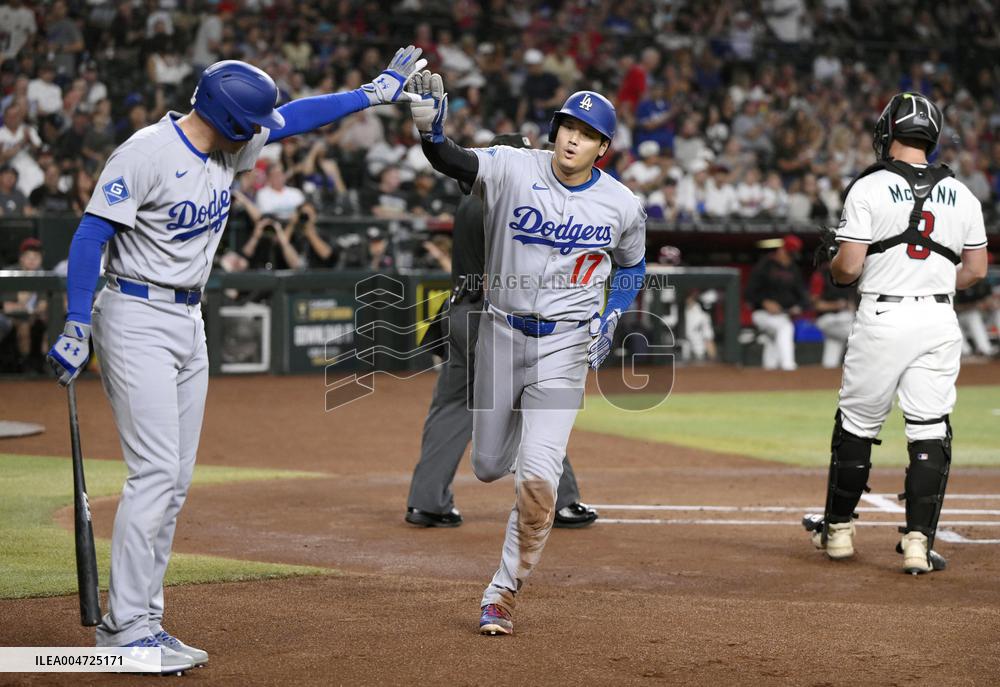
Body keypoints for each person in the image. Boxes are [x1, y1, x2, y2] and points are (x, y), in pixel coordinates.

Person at [44, 48, 428, 671]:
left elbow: (297, 117)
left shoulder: (228, 142)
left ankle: (143, 618)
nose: (261, 131)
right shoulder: (146, 152)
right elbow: (92, 233)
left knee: (175, 481)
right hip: (135, 314)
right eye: (251, 124)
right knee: (155, 474)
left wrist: (370, 92)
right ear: (228, 120)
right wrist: (76, 321)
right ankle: (124, 631)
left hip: (187, 318)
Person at [408, 75, 646, 636]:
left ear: (601, 149)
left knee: (537, 479)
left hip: (566, 343)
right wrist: (429, 132)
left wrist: (612, 313)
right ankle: (530, 446)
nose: (572, 139)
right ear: (554, 129)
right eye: (567, 126)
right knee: (489, 465)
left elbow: (633, 266)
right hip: (498, 332)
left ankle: (503, 591)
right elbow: (454, 161)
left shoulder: (621, 204)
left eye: (587, 134)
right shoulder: (515, 165)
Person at [803, 93, 988, 575]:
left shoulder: (869, 187)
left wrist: (839, 267)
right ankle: (918, 545)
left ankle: (839, 533)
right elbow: (976, 269)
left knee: (858, 424)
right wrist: (933, 282)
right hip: (938, 319)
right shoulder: (963, 193)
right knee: (929, 428)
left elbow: (849, 268)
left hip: (883, 316)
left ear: (887, 132)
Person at [405, 133, 599, 531]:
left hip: (460, 312)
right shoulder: (510, 201)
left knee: (452, 406)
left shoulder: (468, 201)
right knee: (538, 402)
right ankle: (560, 502)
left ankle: (427, 501)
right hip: (496, 317)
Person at [745, 234, 809, 370]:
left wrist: (796, 307)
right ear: (781, 250)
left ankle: (770, 374)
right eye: (788, 254)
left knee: (774, 340)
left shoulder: (794, 270)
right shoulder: (764, 266)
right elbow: (749, 293)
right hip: (762, 314)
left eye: (792, 255)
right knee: (785, 328)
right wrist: (764, 302)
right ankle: (788, 366)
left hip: (783, 314)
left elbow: (804, 298)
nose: (790, 258)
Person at [810, 261, 856, 368]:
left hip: (844, 318)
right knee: (857, 335)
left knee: (830, 360)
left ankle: (826, 376)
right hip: (827, 318)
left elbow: (850, 302)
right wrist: (836, 305)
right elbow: (815, 305)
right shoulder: (820, 275)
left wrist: (849, 306)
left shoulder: (846, 275)